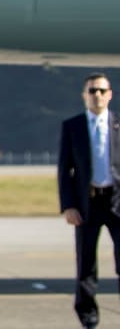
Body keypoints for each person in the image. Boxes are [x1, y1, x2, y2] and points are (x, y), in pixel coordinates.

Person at [59, 73, 120, 328]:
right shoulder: (73, 126)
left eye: (101, 91)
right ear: (84, 95)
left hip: (117, 202)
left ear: (110, 95)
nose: (97, 96)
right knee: (86, 265)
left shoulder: (118, 124)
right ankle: (88, 317)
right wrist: (68, 205)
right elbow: (65, 170)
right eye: (92, 91)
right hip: (88, 204)